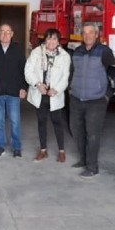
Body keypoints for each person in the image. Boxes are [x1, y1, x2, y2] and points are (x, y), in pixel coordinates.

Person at [69, 23, 115, 178]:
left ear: (97, 35)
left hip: (96, 100)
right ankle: (83, 160)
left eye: (90, 33)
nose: (87, 35)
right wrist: (71, 89)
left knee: (93, 134)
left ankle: (92, 167)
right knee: (77, 131)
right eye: (84, 33)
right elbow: (72, 73)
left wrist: (107, 95)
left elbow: (114, 76)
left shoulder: (105, 52)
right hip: (76, 98)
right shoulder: (77, 52)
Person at [24, 28, 71, 163]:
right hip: (40, 94)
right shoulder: (36, 53)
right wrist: (38, 84)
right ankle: (43, 150)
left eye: (54, 39)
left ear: (58, 41)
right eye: (49, 38)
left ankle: (61, 151)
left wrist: (56, 89)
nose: (51, 42)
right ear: (45, 39)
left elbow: (65, 77)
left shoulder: (64, 56)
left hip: (54, 95)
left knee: (57, 122)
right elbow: (28, 71)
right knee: (41, 122)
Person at [0, 24, 27, 158]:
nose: (5, 34)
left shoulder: (18, 50)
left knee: (14, 121)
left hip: (13, 92)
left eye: (8, 32)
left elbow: (23, 70)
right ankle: (0, 146)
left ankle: (16, 147)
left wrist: (23, 87)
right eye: (2, 32)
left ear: (12, 34)